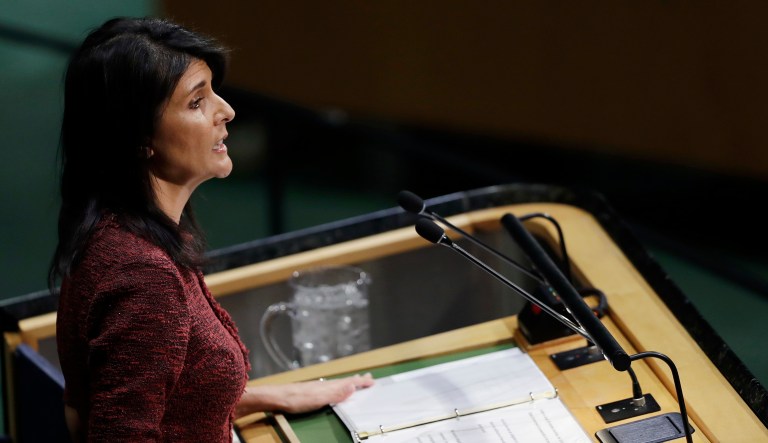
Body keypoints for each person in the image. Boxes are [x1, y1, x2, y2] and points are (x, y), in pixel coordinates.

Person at [49, 16, 373, 442]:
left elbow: (167, 394)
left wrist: (270, 397)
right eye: (197, 103)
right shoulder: (142, 275)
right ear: (138, 138)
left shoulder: (121, 235)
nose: (227, 111)